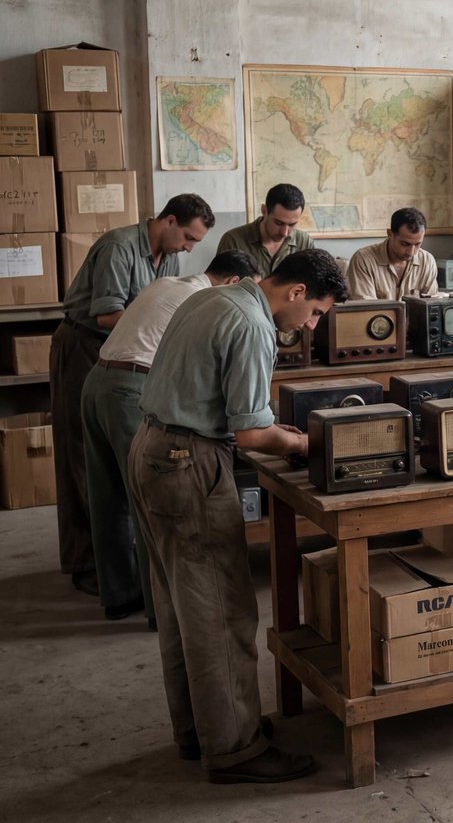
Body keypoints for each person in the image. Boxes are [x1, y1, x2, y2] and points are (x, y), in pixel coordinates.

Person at [126, 249, 347, 785]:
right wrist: (299, 442)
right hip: (188, 462)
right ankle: (234, 749)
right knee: (221, 611)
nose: (311, 325)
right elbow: (250, 435)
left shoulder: (214, 297)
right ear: (296, 292)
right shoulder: (252, 325)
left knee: (180, 604)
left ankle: (201, 731)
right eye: (316, 312)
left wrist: (273, 431)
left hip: (151, 448)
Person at [81, 250, 259, 624]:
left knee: (106, 495)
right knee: (148, 499)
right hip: (130, 388)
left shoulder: (168, 282)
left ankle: (117, 596)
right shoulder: (208, 300)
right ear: (233, 283)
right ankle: (159, 612)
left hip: (97, 381)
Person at [51, 194, 215, 597]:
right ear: (170, 220)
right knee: (83, 456)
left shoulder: (169, 257)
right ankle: (86, 564)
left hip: (130, 354)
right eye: (188, 238)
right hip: (86, 344)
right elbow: (108, 314)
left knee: (126, 460)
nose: (189, 249)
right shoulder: (119, 246)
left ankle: (122, 568)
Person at [215, 183, 314, 277]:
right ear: (264, 211)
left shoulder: (304, 242)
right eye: (278, 223)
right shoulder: (233, 241)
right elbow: (221, 285)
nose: (284, 232)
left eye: (292, 224)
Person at [345, 206, 438, 300]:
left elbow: (431, 304)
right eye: (404, 244)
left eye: (417, 244)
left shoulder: (427, 261)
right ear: (390, 234)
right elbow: (366, 307)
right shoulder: (363, 260)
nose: (411, 252)